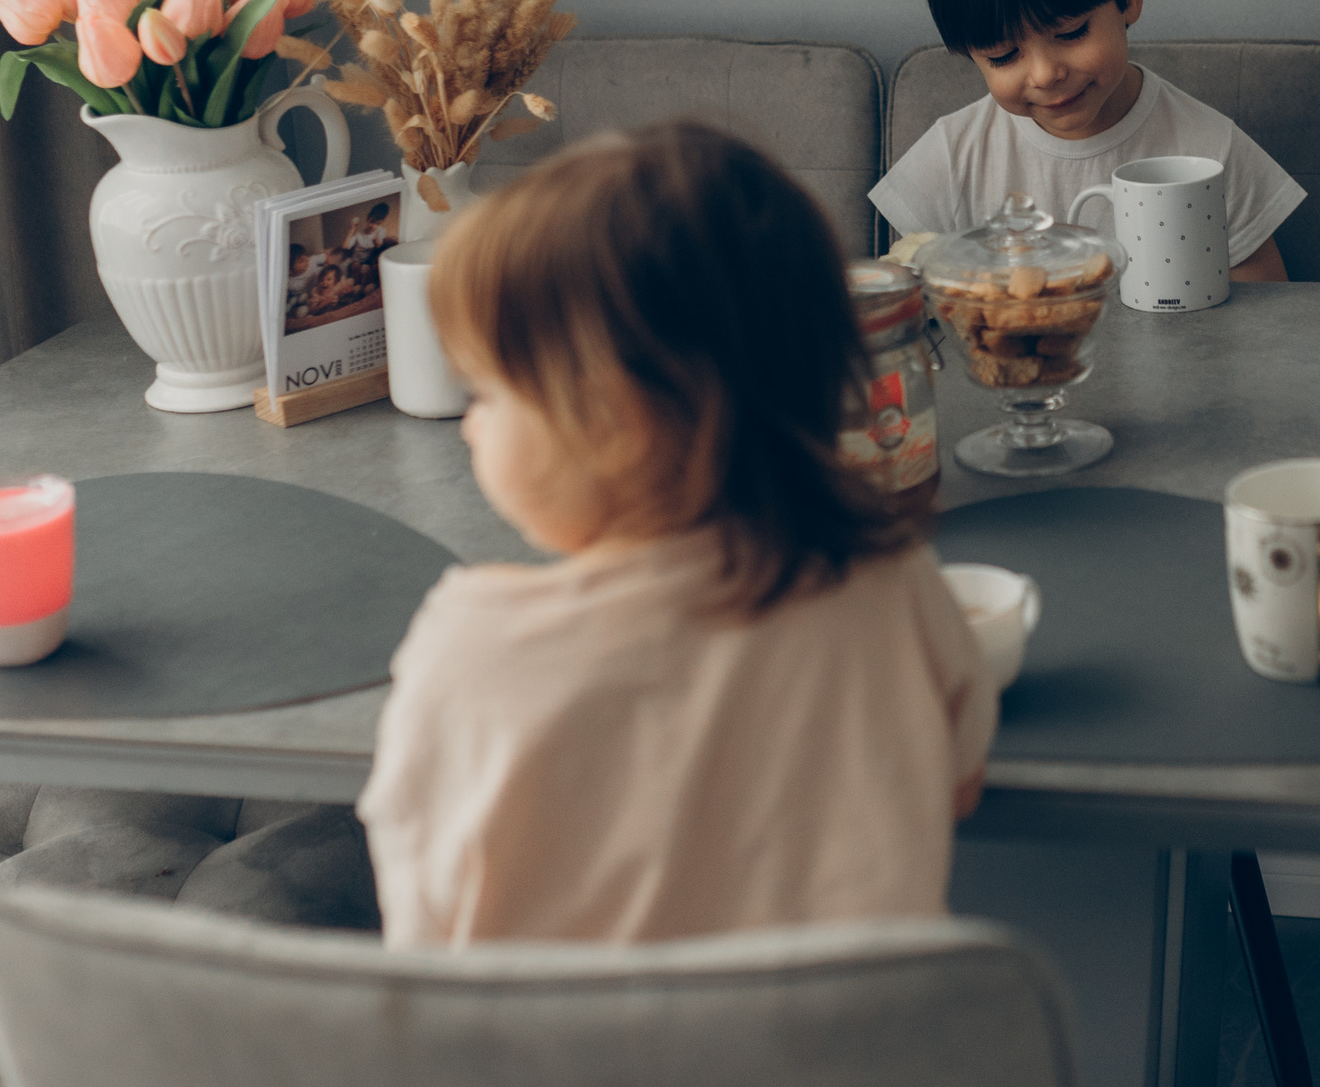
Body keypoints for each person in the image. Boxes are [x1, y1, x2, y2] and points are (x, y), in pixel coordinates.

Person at [356, 122, 995, 945]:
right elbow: (959, 783)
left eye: (487, 394)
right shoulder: (892, 582)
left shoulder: (470, 650)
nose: (469, 429)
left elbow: (424, 938)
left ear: (616, 420)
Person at [869, 0, 1303, 279]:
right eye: (1003, 56)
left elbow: (1263, 310)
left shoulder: (1210, 150)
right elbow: (907, 306)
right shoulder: (951, 158)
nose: (1045, 74)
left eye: (1071, 32)